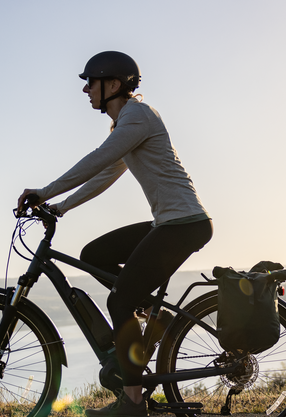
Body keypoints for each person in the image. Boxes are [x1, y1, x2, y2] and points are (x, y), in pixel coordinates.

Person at [17, 51, 213, 417]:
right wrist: (61, 207)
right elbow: (108, 173)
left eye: (89, 82)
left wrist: (45, 191)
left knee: (119, 302)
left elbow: (100, 159)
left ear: (113, 84)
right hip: (172, 223)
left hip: (183, 224)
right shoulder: (127, 124)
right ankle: (155, 320)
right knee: (94, 255)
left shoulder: (136, 116)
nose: (86, 90)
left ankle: (133, 402)